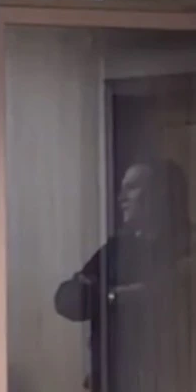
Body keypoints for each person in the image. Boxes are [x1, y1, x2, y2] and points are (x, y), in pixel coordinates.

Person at [54, 159, 193, 392]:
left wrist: (108, 295)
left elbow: (172, 291)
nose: (121, 198)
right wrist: (113, 295)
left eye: (132, 188)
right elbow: (66, 300)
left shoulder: (188, 244)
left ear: (161, 194)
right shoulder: (116, 249)